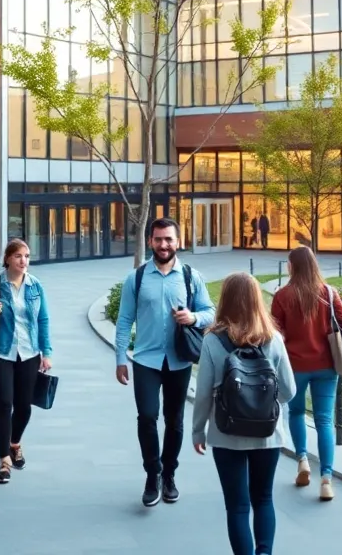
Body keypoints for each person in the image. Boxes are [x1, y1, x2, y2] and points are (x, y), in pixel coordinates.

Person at [193, 272, 297, 555]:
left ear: (224, 300)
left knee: (237, 505)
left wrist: (197, 430)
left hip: (225, 433)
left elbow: (202, 392)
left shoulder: (213, 340)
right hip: (267, 434)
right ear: (256, 300)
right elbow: (289, 391)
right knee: (263, 498)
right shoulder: (273, 339)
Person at [115, 217, 215, 507]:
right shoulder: (136, 278)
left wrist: (193, 317)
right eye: (158, 239)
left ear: (178, 241)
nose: (163, 244)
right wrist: (121, 357)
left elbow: (211, 311)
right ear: (150, 241)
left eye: (169, 239)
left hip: (179, 361)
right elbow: (124, 321)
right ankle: (152, 474)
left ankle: (169, 474)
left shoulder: (189, 276)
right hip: (145, 359)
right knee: (147, 417)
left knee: (175, 421)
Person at [270, 245, 342, 501]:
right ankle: (326, 479)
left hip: (294, 367)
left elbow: (275, 334)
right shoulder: (329, 293)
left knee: (296, 413)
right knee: (324, 421)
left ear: (292, 266)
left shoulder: (282, 296)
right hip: (326, 367)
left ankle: (302, 461)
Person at [0, 239, 54, 484]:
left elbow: (44, 320)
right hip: (0, 354)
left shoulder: (36, 286)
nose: (24, 261)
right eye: (18, 256)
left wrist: (46, 352)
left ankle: (15, 442)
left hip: (29, 353)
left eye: (26, 256)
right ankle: (4, 459)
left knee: (24, 406)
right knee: (4, 403)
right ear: (7, 259)